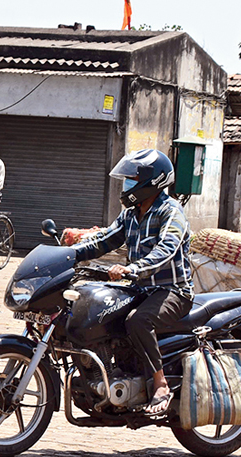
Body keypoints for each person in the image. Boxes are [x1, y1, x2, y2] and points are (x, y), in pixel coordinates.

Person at [71, 149, 194, 416]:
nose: (127, 185)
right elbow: (105, 241)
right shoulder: (131, 214)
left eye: (133, 179)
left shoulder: (170, 211)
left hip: (172, 291)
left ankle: (160, 385)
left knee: (138, 320)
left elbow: (167, 248)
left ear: (153, 181)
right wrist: (70, 253)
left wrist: (132, 268)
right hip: (139, 288)